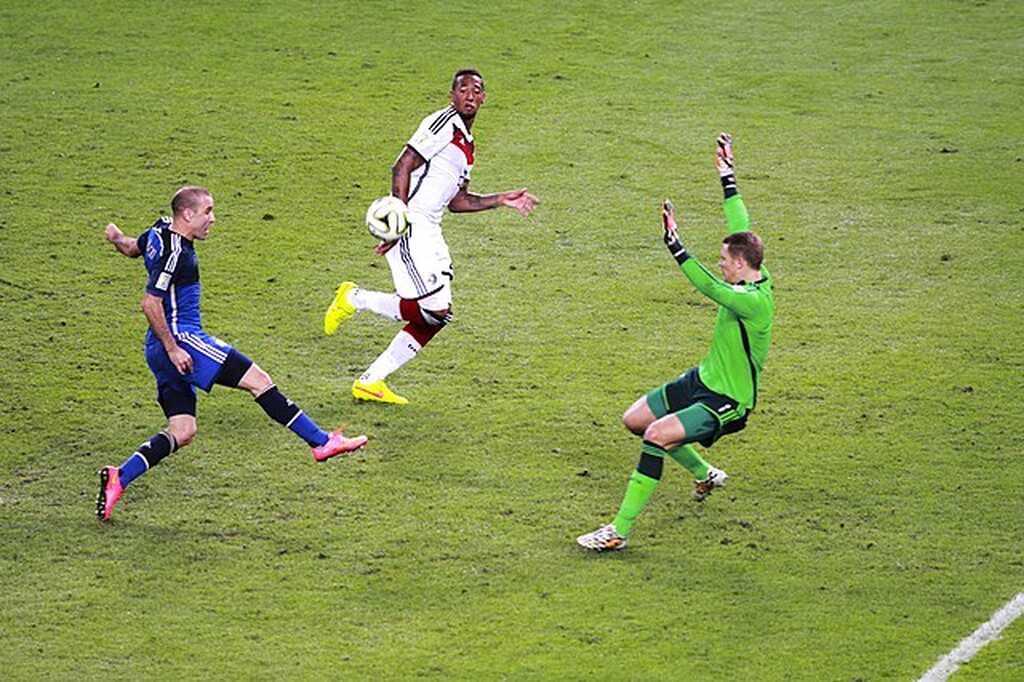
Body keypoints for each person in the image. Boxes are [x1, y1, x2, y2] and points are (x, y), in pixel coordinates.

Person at [97, 186, 368, 521]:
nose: (213, 218)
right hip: (181, 340)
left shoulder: (159, 229)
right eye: (207, 211)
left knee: (183, 431)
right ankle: (321, 441)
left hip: (156, 346)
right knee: (260, 381)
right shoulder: (176, 253)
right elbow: (149, 303)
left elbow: (131, 248)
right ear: (187, 214)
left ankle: (119, 477)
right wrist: (174, 347)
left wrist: (115, 237)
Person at [577, 134, 775, 552]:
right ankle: (704, 473)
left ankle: (618, 532)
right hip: (702, 379)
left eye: (724, 259)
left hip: (728, 400)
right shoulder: (752, 268)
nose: (720, 263)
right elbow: (741, 225)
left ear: (740, 265)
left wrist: (676, 247)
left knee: (656, 436)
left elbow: (708, 285)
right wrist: (728, 177)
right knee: (634, 420)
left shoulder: (752, 301)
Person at [323, 68, 539, 404]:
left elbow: (458, 201)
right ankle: (354, 299)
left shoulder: (467, 147)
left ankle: (371, 380)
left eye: (476, 90)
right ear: (452, 96)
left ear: (483, 98)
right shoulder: (443, 124)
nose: (469, 95)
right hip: (412, 224)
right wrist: (399, 221)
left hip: (431, 229)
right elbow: (402, 166)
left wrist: (501, 199)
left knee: (439, 315)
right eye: (462, 89)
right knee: (432, 311)